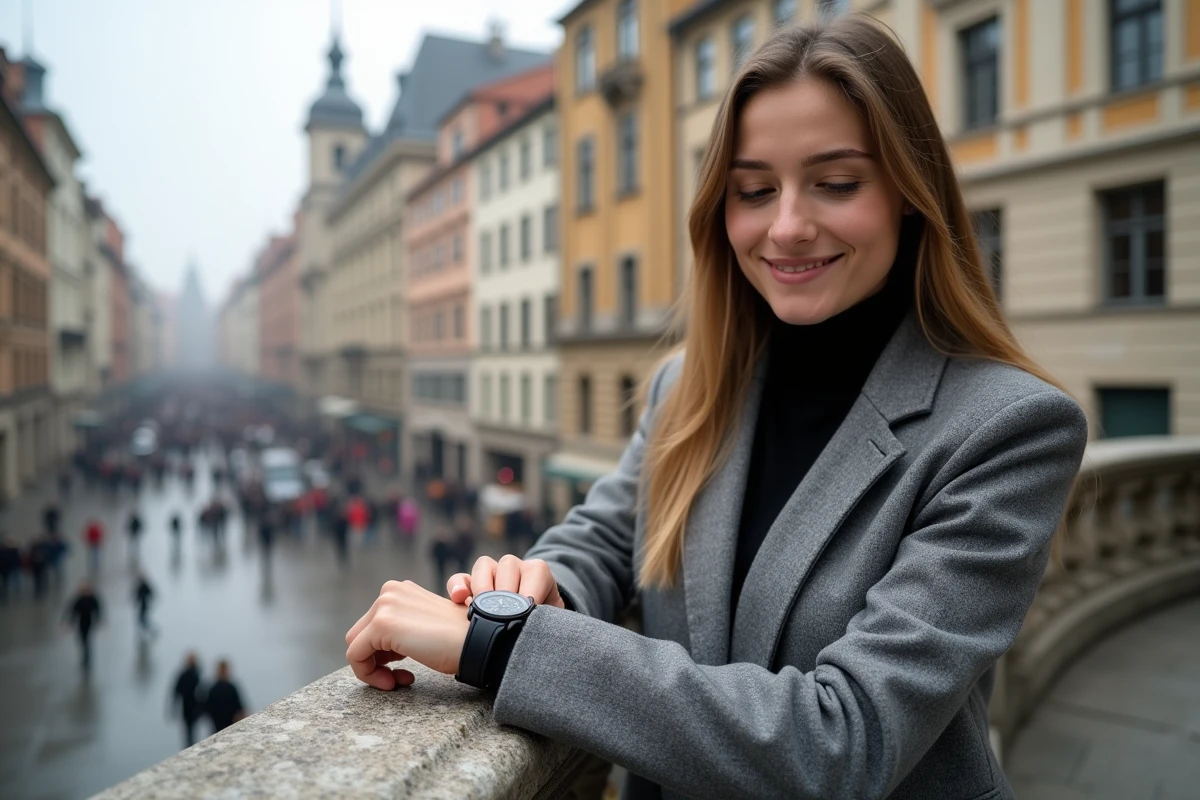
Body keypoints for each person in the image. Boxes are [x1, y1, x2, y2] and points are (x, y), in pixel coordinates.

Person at [340, 16, 1089, 800]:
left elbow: (843, 740)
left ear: (909, 192)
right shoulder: (687, 386)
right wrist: (531, 584)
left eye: (836, 182)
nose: (788, 226)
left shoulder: (1009, 428)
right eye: (754, 191)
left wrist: (505, 646)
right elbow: (601, 539)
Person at [65, 581, 102, 673]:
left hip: (89, 623)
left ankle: (87, 659)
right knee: (82, 641)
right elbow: (73, 611)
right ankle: (85, 658)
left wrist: (98, 619)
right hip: (81, 623)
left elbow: (98, 609)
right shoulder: (79, 600)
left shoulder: (92, 599)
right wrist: (69, 623)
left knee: (87, 642)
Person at [170, 653, 204, 747]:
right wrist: (173, 708)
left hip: (195, 707)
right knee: (189, 731)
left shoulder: (197, 673)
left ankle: (191, 746)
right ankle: (189, 746)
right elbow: (176, 690)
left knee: (192, 730)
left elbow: (201, 692)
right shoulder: (186, 674)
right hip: (187, 707)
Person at [203, 659, 246, 734]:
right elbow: (207, 707)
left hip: (230, 725)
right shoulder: (213, 689)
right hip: (216, 725)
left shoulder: (232, 688)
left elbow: (239, 706)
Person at [0, 536, 20, 601]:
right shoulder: (4, 550)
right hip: (4, 568)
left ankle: (14, 589)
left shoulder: (14, 549)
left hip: (11, 567)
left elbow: (16, 559)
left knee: (12, 579)